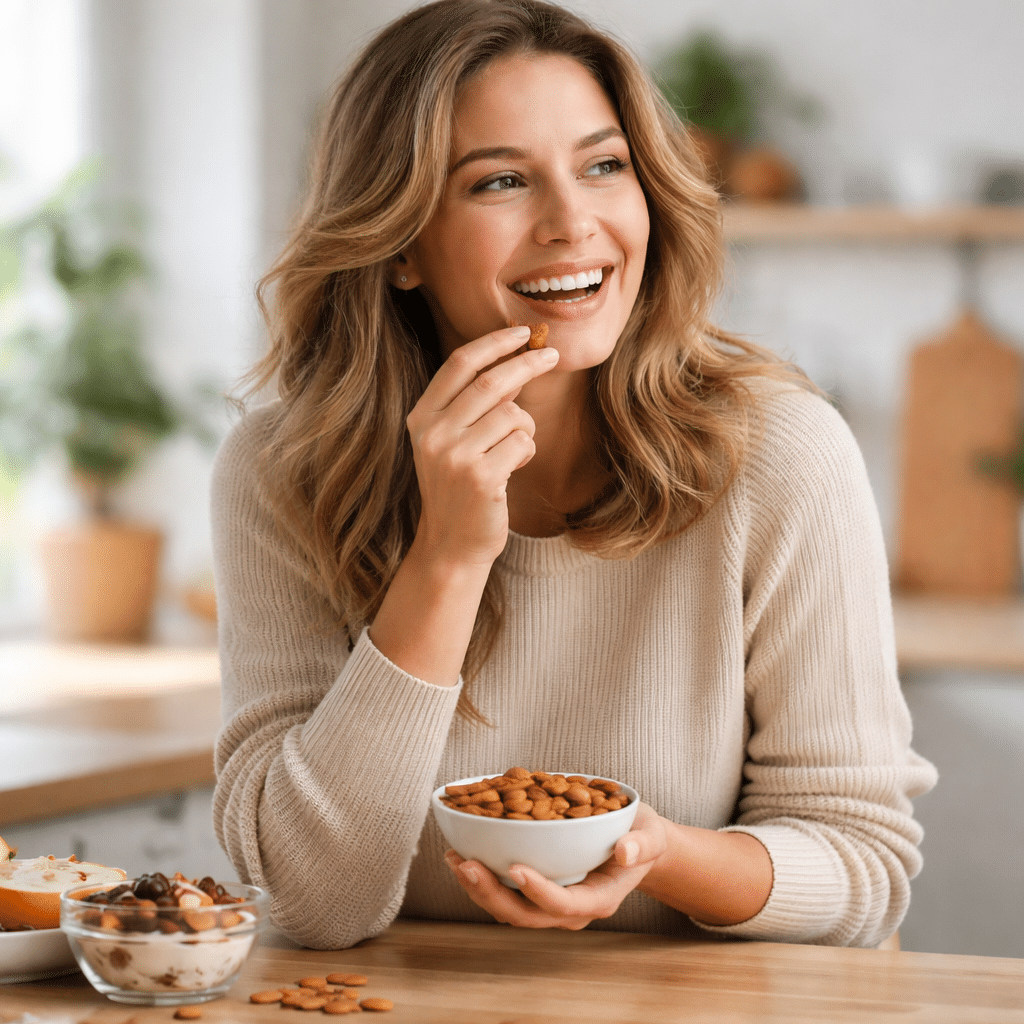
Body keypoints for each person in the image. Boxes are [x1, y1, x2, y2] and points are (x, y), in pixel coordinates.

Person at [211, 0, 936, 951]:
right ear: (399, 248)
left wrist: (655, 855)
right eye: (501, 181)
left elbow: (862, 867)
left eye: (603, 166)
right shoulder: (284, 472)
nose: (572, 223)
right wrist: (446, 558)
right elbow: (314, 902)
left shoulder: (781, 454)